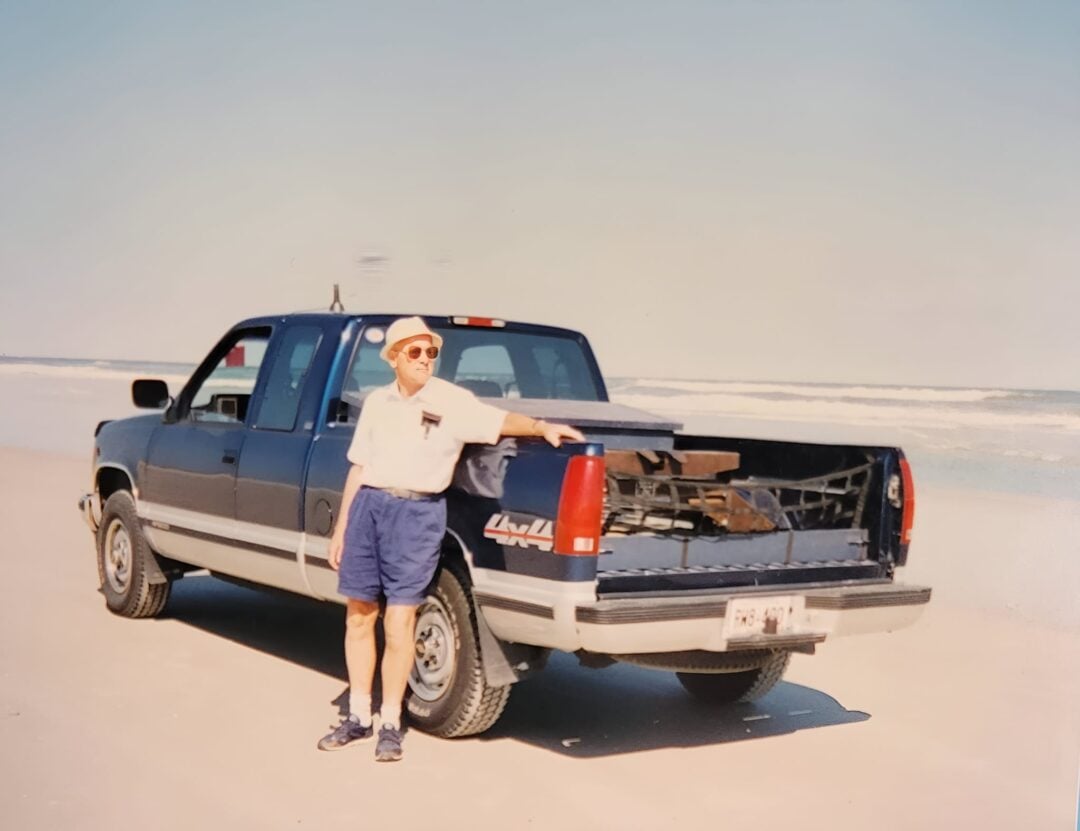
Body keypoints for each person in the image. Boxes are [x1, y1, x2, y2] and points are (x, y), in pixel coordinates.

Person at [317, 316, 584, 761]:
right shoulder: (378, 403)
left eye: (430, 352)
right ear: (395, 358)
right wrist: (342, 528)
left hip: (418, 513)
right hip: (369, 507)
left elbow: (500, 420)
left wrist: (541, 428)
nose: (425, 360)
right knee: (359, 616)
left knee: (400, 622)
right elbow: (358, 466)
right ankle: (358, 717)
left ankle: (389, 722)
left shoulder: (451, 401)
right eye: (415, 352)